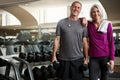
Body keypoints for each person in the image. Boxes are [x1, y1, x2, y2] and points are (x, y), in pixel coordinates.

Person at [51, 1, 88, 80]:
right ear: (71, 8)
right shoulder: (61, 23)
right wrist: (53, 56)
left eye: (78, 8)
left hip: (78, 59)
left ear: (80, 10)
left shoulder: (83, 25)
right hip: (64, 59)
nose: (76, 9)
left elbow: (85, 43)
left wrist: (86, 59)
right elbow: (57, 40)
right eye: (74, 7)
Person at [86, 4, 115, 80]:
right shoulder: (89, 24)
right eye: (93, 12)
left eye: (97, 11)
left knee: (104, 78)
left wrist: (112, 59)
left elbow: (111, 42)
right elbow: (77, 19)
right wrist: (83, 19)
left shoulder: (107, 24)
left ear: (101, 12)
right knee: (92, 78)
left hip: (105, 57)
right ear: (91, 14)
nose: (96, 13)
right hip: (93, 58)